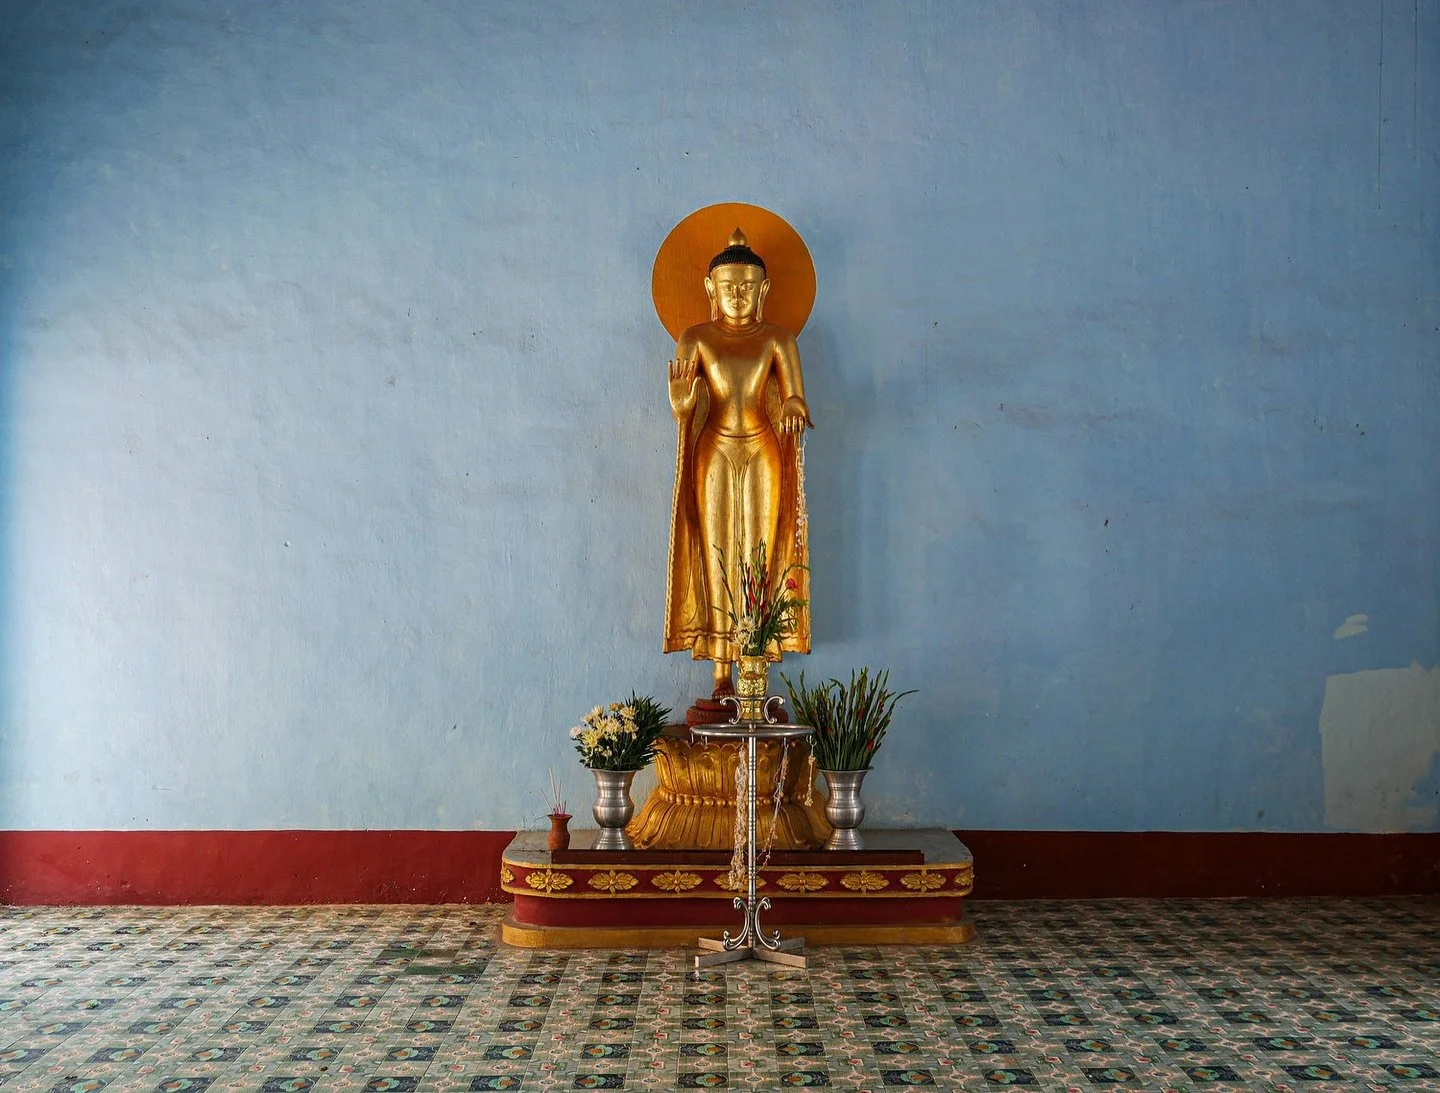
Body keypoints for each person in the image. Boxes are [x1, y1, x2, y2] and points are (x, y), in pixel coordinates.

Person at [663, 229, 813, 696]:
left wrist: (792, 406)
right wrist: (682, 407)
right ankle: (722, 668)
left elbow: (794, 396)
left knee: (758, 553)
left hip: (763, 447)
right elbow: (685, 404)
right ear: (711, 289)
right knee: (716, 551)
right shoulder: (696, 338)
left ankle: (755, 656)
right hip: (715, 447)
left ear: (763, 290)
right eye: (729, 286)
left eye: (747, 286)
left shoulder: (779, 339)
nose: (738, 295)